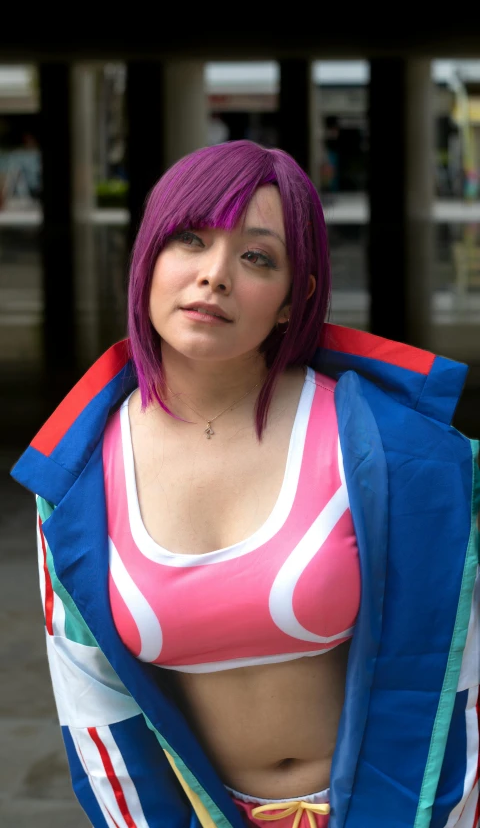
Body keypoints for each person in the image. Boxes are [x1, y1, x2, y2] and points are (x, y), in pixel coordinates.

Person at [11, 140, 479, 828]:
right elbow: (95, 709)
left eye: (257, 257)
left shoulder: (393, 450)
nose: (214, 275)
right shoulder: (75, 476)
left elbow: (459, 676)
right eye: (189, 240)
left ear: (296, 299)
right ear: (146, 262)